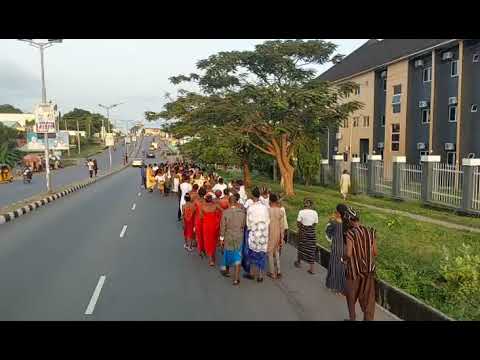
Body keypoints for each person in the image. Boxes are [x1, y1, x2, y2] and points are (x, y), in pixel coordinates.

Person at [343, 207, 378, 321]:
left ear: (349, 220)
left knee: (351, 296)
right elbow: (375, 252)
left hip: (354, 271)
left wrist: (342, 258)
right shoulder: (370, 232)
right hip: (368, 271)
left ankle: (352, 318)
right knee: (368, 299)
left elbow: (348, 253)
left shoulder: (350, 234)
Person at [219, 194, 246, 285]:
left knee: (227, 253)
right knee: (237, 257)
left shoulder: (225, 212)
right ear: (237, 202)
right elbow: (243, 225)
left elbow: (223, 227)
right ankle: (236, 279)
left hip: (228, 237)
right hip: (239, 237)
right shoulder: (242, 213)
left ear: (229, 203)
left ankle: (226, 271)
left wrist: (221, 239)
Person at [244, 187, 269, 282]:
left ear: (252, 195)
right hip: (264, 233)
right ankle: (260, 275)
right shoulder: (264, 207)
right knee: (262, 254)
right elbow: (267, 220)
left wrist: (251, 229)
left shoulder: (251, 208)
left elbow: (248, 223)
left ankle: (251, 273)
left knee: (252, 253)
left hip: (254, 233)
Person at [325, 204, 347, 295]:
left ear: (338, 213)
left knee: (334, 266)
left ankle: (333, 286)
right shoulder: (347, 223)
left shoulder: (333, 222)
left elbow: (328, 233)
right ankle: (341, 288)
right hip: (345, 249)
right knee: (342, 268)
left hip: (336, 248)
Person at [294, 198, 319, 274]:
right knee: (311, 249)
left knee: (301, 247)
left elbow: (298, 224)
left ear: (304, 204)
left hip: (303, 231)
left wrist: (303, 227)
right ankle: (312, 269)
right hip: (311, 232)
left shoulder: (301, 212)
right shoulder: (315, 212)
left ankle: (298, 262)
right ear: (311, 205)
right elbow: (315, 223)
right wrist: (310, 227)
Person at [267, 193, 285, 279]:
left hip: (270, 233)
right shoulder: (280, 211)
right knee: (276, 252)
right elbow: (282, 226)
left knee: (270, 253)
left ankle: (272, 273)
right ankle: (279, 271)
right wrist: (282, 238)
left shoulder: (267, 210)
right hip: (278, 233)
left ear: (270, 200)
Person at [201, 193, 222, 266]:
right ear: (212, 199)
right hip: (214, 225)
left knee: (207, 241)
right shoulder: (215, 205)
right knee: (213, 240)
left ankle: (210, 259)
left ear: (205, 200)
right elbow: (223, 211)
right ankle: (213, 256)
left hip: (206, 225)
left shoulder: (203, 206)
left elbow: (201, 217)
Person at [194, 187, 207, 257]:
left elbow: (193, 210)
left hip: (198, 219)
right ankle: (204, 249)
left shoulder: (196, 201)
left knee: (199, 235)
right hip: (205, 219)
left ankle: (200, 250)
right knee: (204, 234)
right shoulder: (206, 201)